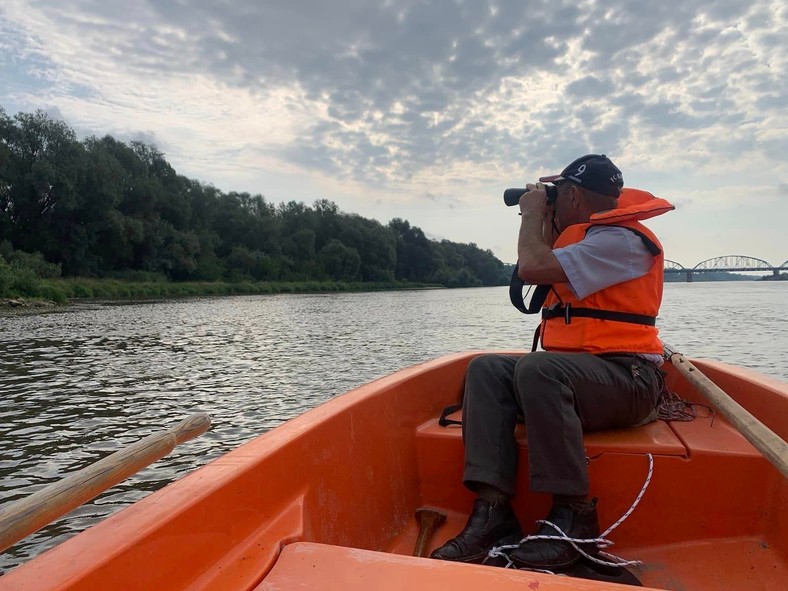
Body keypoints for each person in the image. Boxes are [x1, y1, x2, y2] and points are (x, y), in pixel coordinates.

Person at [430, 154, 674, 570]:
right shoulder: (584, 238)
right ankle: (493, 513)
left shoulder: (620, 241)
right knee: (486, 369)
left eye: (558, 197)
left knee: (537, 367)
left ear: (574, 194)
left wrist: (530, 214)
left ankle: (574, 519)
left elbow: (532, 266)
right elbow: (543, 262)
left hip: (630, 379)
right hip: (585, 379)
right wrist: (546, 218)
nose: (552, 204)